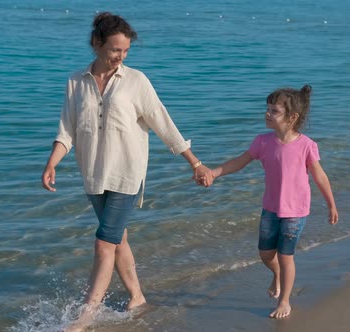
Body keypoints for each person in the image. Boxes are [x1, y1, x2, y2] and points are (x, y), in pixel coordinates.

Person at [41, 12, 213, 331]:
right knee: (117, 239)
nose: (120, 57)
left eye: (125, 51)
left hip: (127, 174)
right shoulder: (75, 82)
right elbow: (67, 130)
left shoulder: (136, 81)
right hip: (93, 173)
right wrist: (52, 162)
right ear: (96, 44)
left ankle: (86, 315)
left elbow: (164, 123)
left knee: (104, 243)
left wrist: (195, 162)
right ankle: (137, 296)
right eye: (114, 50)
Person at [201, 85, 339, 319]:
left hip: (295, 211)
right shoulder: (262, 142)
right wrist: (214, 173)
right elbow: (240, 161)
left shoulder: (306, 145)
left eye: (273, 111)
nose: (267, 114)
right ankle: (276, 275)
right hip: (271, 208)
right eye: (267, 109)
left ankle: (285, 301)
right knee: (266, 254)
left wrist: (331, 204)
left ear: (292, 117)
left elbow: (320, 176)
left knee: (286, 256)